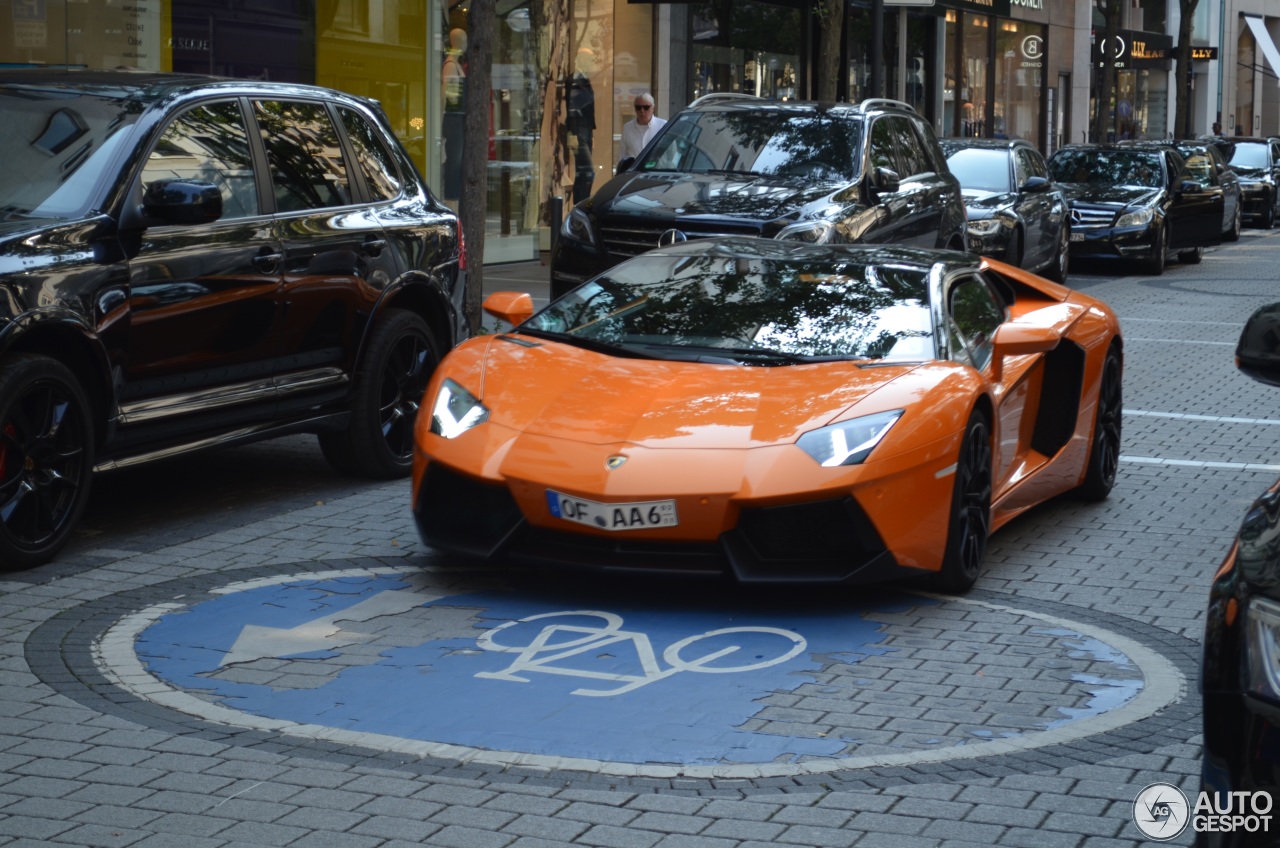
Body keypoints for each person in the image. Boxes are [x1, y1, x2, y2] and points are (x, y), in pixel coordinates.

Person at [565, 48, 597, 204]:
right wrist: (573, 133)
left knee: (582, 173)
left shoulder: (585, 79)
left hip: (586, 131)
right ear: (582, 59)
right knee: (588, 172)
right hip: (579, 131)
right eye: (589, 60)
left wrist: (592, 133)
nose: (591, 64)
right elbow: (571, 109)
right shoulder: (573, 80)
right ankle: (581, 205)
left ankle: (579, 206)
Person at [620, 93, 666, 164]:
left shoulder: (662, 126)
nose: (642, 111)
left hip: (657, 172)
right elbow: (622, 155)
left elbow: (671, 154)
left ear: (653, 108)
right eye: (638, 107)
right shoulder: (627, 128)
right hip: (634, 173)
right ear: (635, 109)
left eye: (646, 107)